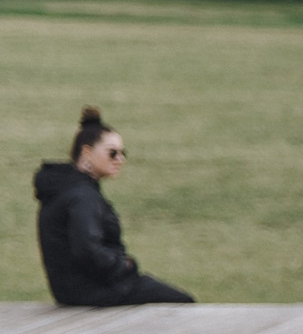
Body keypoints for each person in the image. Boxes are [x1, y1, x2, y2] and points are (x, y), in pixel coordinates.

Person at [33, 109, 193, 306]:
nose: (120, 159)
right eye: (112, 153)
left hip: (71, 290)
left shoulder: (66, 187)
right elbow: (87, 249)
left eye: (122, 153)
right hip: (97, 290)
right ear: (87, 152)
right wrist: (123, 265)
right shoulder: (82, 196)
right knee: (183, 302)